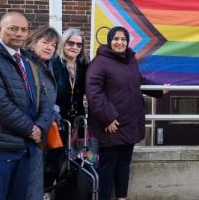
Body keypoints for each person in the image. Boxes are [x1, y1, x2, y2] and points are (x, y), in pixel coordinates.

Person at [0, 11, 56, 200]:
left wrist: (41, 126)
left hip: (22, 148)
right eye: (13, 29)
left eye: (24, 30)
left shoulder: (26, 59)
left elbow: (44, 98)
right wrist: (30, 129)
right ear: (0, 30)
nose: (19, 34)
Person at [86, 26, 161, 200]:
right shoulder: (99, 62)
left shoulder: (130, 60)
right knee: (107, 166)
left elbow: (139, 81)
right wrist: (108, 118)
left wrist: (159, 90)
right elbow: (94, 93)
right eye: (116, 39)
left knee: (124, 164)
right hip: (111, 125)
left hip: (130, 122)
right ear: (109, 40)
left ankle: (121, 197)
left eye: (123, 39)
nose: (119, 42)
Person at [44, 28, 89, 191]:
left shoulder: (83, 66)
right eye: (71, 43)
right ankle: (46, 193)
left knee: (74, 163)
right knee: (52, 162)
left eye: (79, 44)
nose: (75, 47)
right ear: (63, 43)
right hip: (57, 121)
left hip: (78, 123)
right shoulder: (53, 64)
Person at [22, 26, 61, 198]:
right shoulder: (27, 65)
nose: (49, 47)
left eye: (53, 45)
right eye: (45, 42)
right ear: (32, 43)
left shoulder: (46, 65)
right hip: (30, 133)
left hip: (41, 130)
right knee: (29, 185)